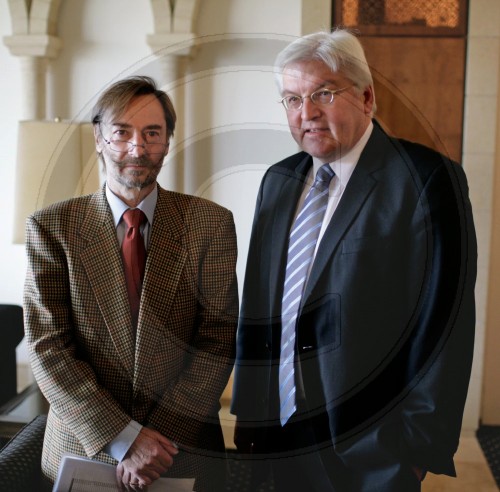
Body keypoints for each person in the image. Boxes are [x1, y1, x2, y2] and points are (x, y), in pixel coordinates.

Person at [231, 28, 477, 492]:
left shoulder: (425, 180)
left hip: (372, 447)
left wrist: (415, 452)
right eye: (292, 99)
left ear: (366, 98)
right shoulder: (278, 180)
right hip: (278, 433)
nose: (307, 113)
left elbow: (445, 325)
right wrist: (249, 410)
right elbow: (259, 302)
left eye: (323, 93)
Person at [24, 76, 238, 492]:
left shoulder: (210, 224)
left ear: (167, 142)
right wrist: (125, 439)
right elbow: (47, 347)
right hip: (84, 451)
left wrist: (157, 442)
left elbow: (217, 340)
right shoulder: (53, 228)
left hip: (181, 451)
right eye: (122, 132)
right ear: (99, 138)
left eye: (152, 133)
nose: (137, 148)